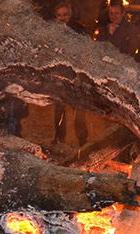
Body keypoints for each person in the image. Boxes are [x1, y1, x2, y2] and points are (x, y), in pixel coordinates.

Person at [53, 1, 88, 146]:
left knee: (79, 111)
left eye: (65, 15)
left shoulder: (80, 30)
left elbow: (86, 52)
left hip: (76, 76)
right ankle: (60, 138)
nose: (62, 18)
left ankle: (82, 140)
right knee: (59, 109)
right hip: (59, 76)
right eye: (59, 15)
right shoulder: (52, 31)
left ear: (70, 14)